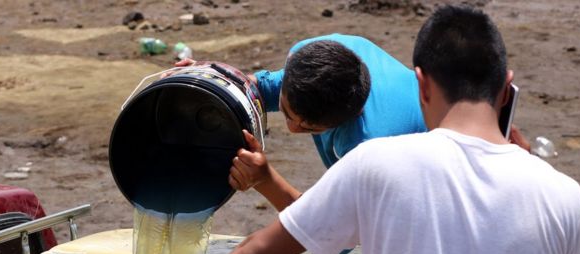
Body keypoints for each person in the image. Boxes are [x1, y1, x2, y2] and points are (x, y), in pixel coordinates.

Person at [100, 5, 580, 254]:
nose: (289, 129)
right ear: (506, 87)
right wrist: (213, 77)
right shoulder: (565, 197)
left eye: (304, 127)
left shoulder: (378, 157)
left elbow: (284, 248)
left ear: (421, 83)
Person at [178, 33, 428, 212]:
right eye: (287, 112)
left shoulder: (367, 148)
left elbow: (334, 233)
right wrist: (208, 79)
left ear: (349, 118)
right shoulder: (315, 57)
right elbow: (261, 89)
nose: (292, 128)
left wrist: (265, 180)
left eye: (310, 128)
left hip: (422, 193)